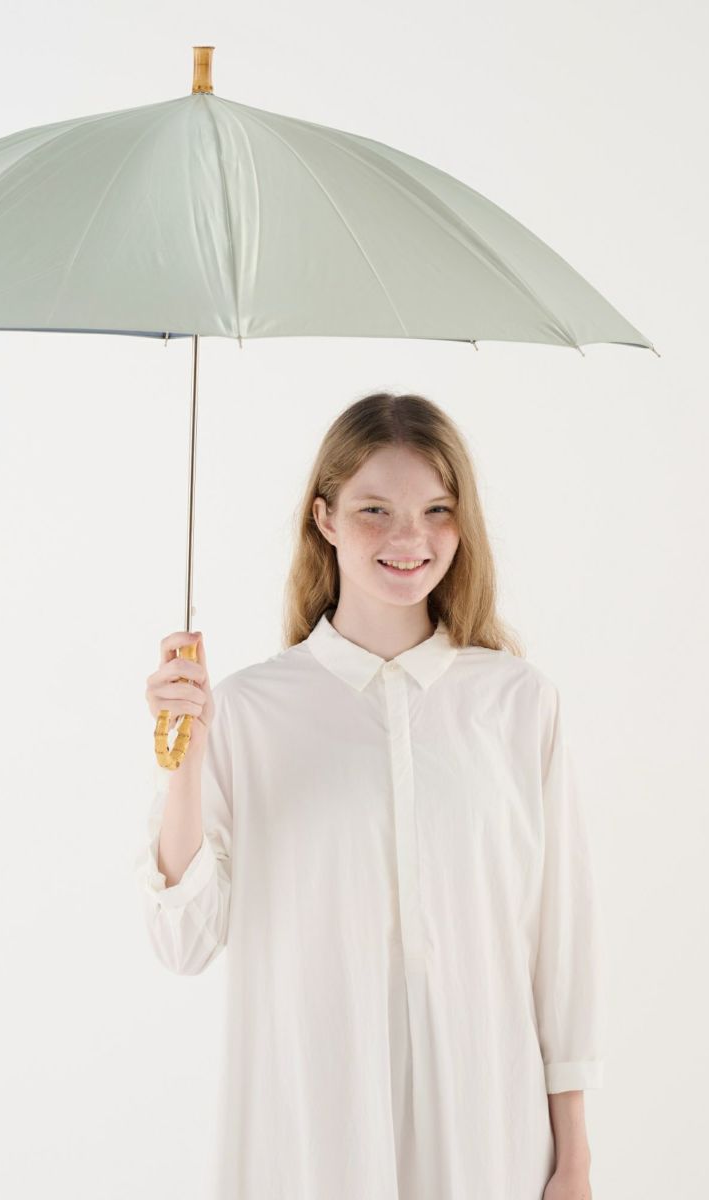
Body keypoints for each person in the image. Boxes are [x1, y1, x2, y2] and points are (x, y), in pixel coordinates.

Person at [136, 391, 606, 1200]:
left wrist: (576, 1159)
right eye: (374, 510)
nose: (408, 538)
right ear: (323, 517)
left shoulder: (519, 704)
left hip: (486, 1126)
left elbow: (561, 944)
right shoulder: (248, 711)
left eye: (436, 510)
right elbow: (183, 941)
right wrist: (186, 754)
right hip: (309, 1125)